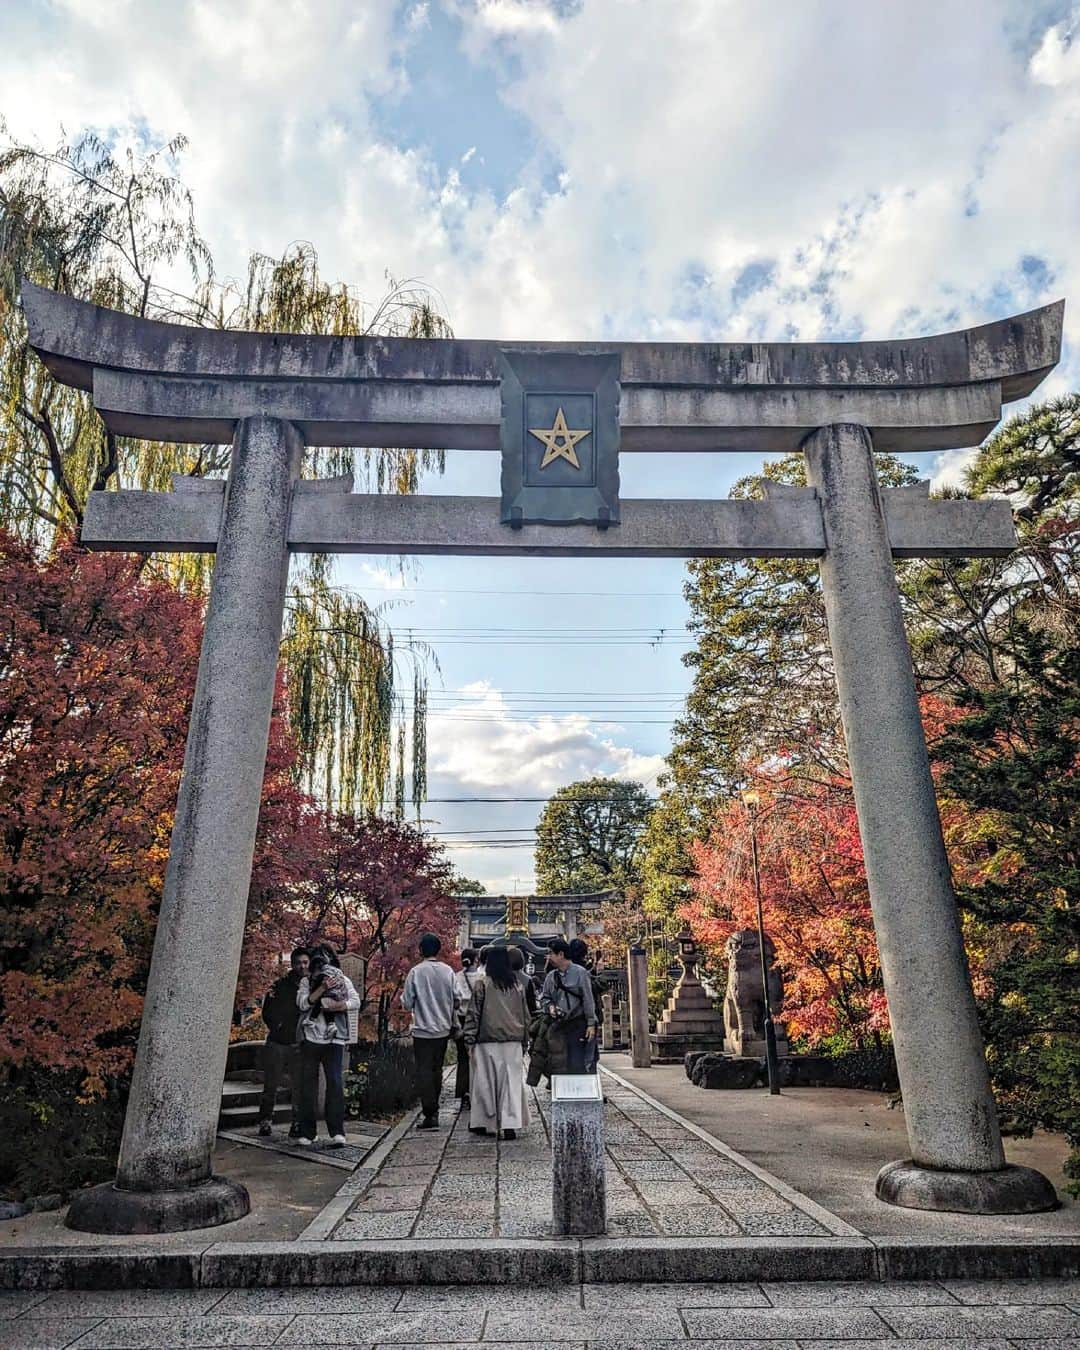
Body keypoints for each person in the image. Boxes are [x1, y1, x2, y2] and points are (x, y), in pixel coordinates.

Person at [295, 942, 360, 1147]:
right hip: (311, 1036)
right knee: (308, 1085)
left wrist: (340, 1005)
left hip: (335, 1038)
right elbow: (303, 1003)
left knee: (335, 1083)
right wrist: (322, 988)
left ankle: (337, 1131)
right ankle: (308, 1132)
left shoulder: (343, 979)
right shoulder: (307, 981)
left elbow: (355, 1001)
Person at [464, 944, 530, 1140]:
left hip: (487, 1040)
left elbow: (473, 1014)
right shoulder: (517, 986)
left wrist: (469, 1039)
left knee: (486, 1082)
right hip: (513, 1040)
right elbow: (525, 1016)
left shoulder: (482, 984)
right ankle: (510, 1123)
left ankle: (487, 1122)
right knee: (511, 1083)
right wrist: (525, 1040)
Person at [402, 932, 456, 1130]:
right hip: (443, 1028)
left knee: (423, 1070)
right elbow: (456, 997)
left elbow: (407, 1002)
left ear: (421, 950)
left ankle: (430, 1112)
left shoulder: (416, 972)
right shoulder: (448, 971)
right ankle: (434, 1110)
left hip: (422, 1030)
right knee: (436, 1069)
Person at [258, 946, 309, 1137]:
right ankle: (265, 1120)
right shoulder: (279, 985)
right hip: (277, 1041)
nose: (302, 966)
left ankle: (296, 1122)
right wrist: (277, 1026)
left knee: (299, 1086)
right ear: (292, 964)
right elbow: (267, 1012)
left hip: (299, 1042)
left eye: (305, 962)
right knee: (271, 1083)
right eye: (298, 962)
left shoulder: (311, 986)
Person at [540, 937, 597, 1074]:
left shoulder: (580, 973)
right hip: (558, 1024)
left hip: (577, 1022)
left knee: (576, 1060)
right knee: (557, 1061)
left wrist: (590, 1024)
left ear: (561, 954)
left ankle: (578, 1091)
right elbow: (545, 998)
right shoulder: (551, 976)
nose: (549, 957)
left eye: (551, 953)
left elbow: (588, 999)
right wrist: (550, 1007)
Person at [569, 937, 605, 1073]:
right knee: (590, 1052)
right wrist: (599, 972)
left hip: (571, 1016)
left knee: (573, 1050)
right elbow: (599, 986)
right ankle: (590, 1081)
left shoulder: (566, 969)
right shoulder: (586, 971)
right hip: (589, 1015)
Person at [453, 948, 480, 1109]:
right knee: (476, 1057)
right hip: (476, 1019)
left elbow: (454, 1000)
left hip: (461, 1019)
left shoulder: (456, 977)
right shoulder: (481, 978)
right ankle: (475, 1091)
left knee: (462, 1057)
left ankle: (463, 1093)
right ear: (475, 960)